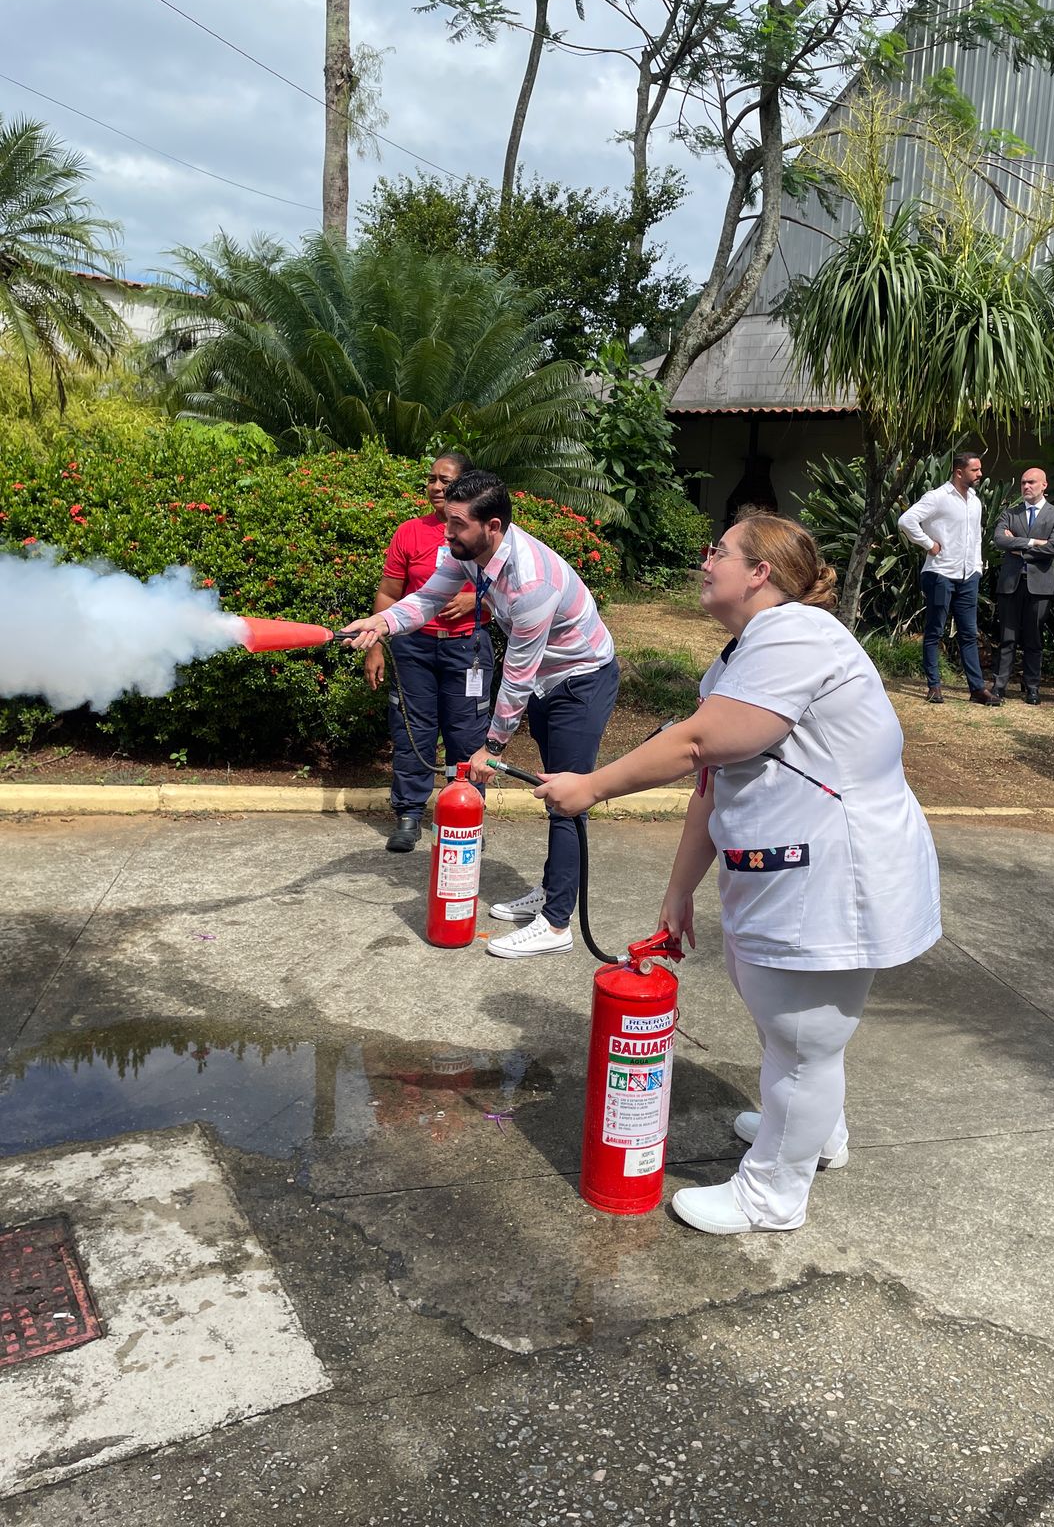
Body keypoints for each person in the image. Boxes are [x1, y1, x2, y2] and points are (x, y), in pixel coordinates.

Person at [535, 512, 942, 1236]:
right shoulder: (739, 658)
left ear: (761, 573)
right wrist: (678, 891)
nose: (705, 561)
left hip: (838, 878)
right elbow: (711, 784)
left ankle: (772, 1195)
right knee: (791, 1030)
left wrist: (592, 787)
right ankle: (815, 1133)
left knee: (804, 1043)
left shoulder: (796, 635)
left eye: (718, 551)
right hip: (787, 873)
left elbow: (699, 744)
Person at [343, 470, 619, 956]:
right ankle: (552, 892)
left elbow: (517, 673)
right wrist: (381, 622)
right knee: (553, 790)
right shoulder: (468, 552)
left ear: (492, 526)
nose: (446, 533)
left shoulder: (531, 582)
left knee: (567, 797)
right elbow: (429, 599)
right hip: (546, 678)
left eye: (457, 524)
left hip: (580, 681)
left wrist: (490, 747)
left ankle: (557, 924)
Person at [365, 451, 492, 854]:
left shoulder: (483, 531)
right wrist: (375, 645)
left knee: (466, 735)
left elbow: (510, 594)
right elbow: (389, 594)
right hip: (414, 649)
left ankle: (465, 816)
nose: (436, 486)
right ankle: (408, 814)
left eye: (446, 480)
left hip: (467, 649)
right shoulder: (409, 532)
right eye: (432, 478)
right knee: (412, 732)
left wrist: (476, 600)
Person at [898, 452, 995, 705]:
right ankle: (934, 686)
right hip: (940, 573)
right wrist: (928, 544)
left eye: (980, 469)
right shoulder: (937, 497)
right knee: (935, 631)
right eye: (975, 470)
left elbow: (976, 537)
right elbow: (906, 520)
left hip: (968, 575)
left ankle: (977, 689)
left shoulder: (975, 501)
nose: (980, 474)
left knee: (968, 633)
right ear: (959, 472)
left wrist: (977, 567)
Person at [989, 468, 1054, 705]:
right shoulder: (1010, 513)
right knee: (1007, 637)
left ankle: (1032, 687)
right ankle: (999, 685)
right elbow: (999, 540)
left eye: (1031, 482)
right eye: (1023, 482)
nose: (1026, 486)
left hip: (1040, 586)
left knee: (1034, 639)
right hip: (1010, 584)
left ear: (1044, 485)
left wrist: (1018, 549)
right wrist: (1034, 542)